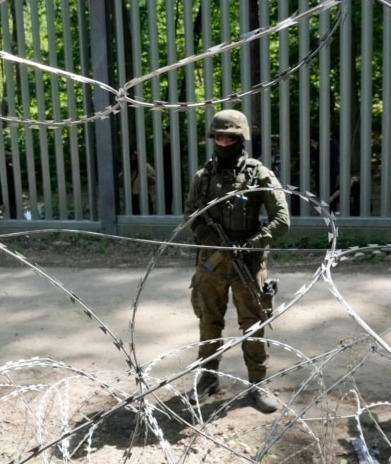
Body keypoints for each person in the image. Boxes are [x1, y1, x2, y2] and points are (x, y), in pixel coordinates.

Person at [183, 109, 291, 413]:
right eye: (218, 136)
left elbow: (282, 220)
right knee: (208, 322)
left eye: (229, 137)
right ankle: (207, 377)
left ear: (240, 138)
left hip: (248, 263)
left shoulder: (259, 174)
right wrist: (208, 235)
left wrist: (251, 244)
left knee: (254, 325)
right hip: (211, 262)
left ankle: (258, 384)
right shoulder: (203, 177)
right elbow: (191, 213)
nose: (223, 141)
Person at [120, 150, 157, 214]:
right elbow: (120, 181)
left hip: (144, 195)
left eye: (134, 157)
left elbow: (155, 179)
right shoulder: (127, 167)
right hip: (132, 196)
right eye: (131, 158)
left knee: (148, 213)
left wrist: (147, 176)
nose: (133, 159)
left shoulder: (145, 166)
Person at [0, 151, 19, 219]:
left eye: (10, 156)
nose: (9, 157)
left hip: (14, 199)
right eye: (6, 156)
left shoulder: (12, 168)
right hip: (5, 200)